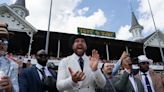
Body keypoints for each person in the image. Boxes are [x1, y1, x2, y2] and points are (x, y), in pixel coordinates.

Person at [0, 22, 19, 92]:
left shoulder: (13, 65)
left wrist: (10, 88)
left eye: (5, 42)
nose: (2, 45)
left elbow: (16, 90)